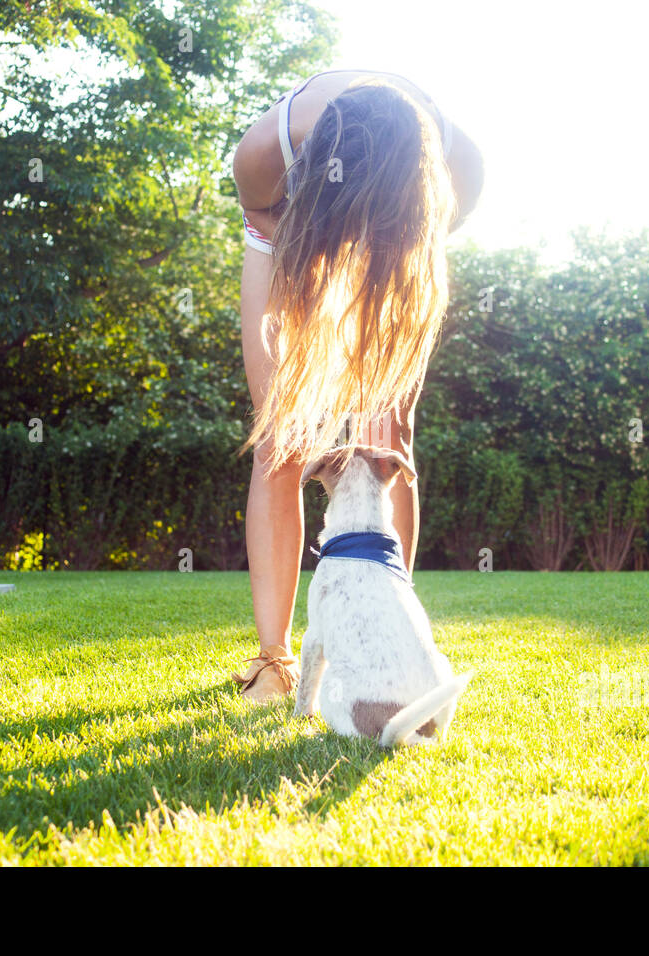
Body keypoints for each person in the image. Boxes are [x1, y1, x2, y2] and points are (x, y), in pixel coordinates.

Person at [230, 69, 484, 702]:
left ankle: (391, 615)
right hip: (294, 241)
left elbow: (419, 262)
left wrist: (366, 321)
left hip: (395, 258)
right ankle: (273, 659)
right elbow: (266, 236)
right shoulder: (265, 157)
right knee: (278, 442)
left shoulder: (460, 165)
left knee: (387, 445)